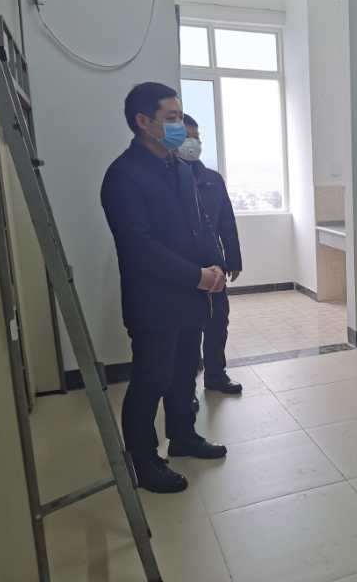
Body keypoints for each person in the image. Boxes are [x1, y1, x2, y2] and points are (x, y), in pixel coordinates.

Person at [101, 82, 228, 494]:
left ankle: (183, 436)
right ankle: (144, 461)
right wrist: (196, 275)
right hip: (153, 302)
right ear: (143, 121)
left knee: (184, 373)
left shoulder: (180, 167)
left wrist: (215, 263)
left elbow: (199, 225)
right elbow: (139, 247)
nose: (179, 125)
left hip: (190, 296)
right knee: (151, 379)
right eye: (171, 118)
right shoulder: (123, 176)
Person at [179, 114, 243, 398]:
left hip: (215, 266)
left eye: (197, 137)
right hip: (184, 270)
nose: (192, 143)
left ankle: (216, 375)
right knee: (188, 330)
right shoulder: (170, 180)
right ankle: (185, 387)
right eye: (186, 137)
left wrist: (233, 259)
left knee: (218, 323)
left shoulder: (212, 180)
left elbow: (226, 222)